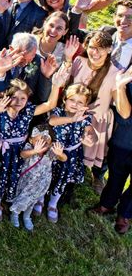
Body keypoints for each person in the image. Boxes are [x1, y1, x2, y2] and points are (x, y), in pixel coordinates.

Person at [0, 72, 66, 222]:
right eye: (14, 97)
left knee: (7, 176)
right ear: (7, 96)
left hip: (16, 152)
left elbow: (49, 105)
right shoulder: (0, 109)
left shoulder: (27, 112)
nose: (19, 101)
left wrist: (56, 85)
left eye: (23, 98)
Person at [64, 30, 118, 194]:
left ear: (109, 49)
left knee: (78, 159)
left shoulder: (115, 72)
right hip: (72, 115)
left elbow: (116, 100)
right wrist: (67, 59)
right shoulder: (79, 61)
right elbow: (66, 85)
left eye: (101, 48)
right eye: (92, 47)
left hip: (95, 121)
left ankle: (68, 189)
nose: (95, 52)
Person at [88, 67, 132, 235]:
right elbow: (125, 115)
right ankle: (106, 204)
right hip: (125, 137)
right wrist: (121, 87)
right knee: (116, 174)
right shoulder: (128, 73)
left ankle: (125, 214)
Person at [47, 84, 96, 223]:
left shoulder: (86, 118)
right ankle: (39, 199)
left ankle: (53, 204)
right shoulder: (58, 111)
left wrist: (90, 138)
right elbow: (52, 121)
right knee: (47, 176)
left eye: (80, 102)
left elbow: (91, 132)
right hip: (54, 151)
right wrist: (72, 119)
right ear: (64, 99)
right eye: (72, 100)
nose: (75, 104)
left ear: (86, 105)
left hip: (72, 155)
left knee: (63, 179)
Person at [9, 127, 67, 231]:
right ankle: (15, 214)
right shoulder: (29, 147)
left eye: (46, 142)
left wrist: (60, 154)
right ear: (31, 140)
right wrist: (34, 151)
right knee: (22, 197)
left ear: (50, 143)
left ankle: (27, 216)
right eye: (39, 141)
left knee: (33, 200)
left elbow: (64, 159)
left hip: (42, 183)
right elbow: (23, 154)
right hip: (26, 181)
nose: (43, 144)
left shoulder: (50, 152)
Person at [0, 33, 56, 104]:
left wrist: (45, 76)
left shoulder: (40, 63)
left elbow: (43, 98)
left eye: (31, 57)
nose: (26, 63)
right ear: (12, 49)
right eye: (23, 59)